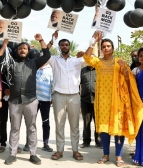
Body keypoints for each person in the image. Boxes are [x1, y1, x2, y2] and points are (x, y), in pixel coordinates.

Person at [83, 31, 143, 167]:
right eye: (104, 46)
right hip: (103, 101)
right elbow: (87, 57)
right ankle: (105, 155)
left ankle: (118, 156)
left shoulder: (119, 62)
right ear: (101, 48)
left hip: (118, 101)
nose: (106, 48)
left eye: (108, 46)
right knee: (104, 129)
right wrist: (93, 41)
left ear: (113, 48)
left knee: (118, 128)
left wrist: (125, 70)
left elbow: (129, 81)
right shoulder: (97, 62)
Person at [0, 34, 51, 165]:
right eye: (20, 48)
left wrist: (41, 40)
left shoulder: (34, 63)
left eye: (25, 48)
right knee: (14, 128)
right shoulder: (10, 63)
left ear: (28, 51)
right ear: (17, 51)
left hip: (31, 100)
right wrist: (4, 45)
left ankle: (33, 154)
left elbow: (47, 55)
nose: (22, 50)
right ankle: (12, 154)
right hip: (14, 101)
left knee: (32, 128)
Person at [46, 31, 85, 161]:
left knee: (74, 125)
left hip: (74, 95)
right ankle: (59, 150)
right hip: (59, 95)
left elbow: (90, 57)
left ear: (69, 47)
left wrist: (92, 43)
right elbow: (45, 52)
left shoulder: (77, 61)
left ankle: (75, 150)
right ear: (59, 47)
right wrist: (52, 40)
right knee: (59, 124)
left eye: (66, 44)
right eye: (62, 45)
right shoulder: (54, 60)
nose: (64, 46)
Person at [79, 60, 101, 149]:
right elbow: (78, 84)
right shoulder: (82, 71)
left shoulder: (100, 70)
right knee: (86, 121)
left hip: (98, 100)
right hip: (85, 99)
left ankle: (99, 141)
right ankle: (86, 141)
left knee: (98, 122)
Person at [35, 57, 54, 152]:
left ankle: (45, 143)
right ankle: (29, 143)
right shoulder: (34, 68)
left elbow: (53, 85)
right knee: (31, 123)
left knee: (45, 122)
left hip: (46, 100)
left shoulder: (50, 70)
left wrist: (53, 98)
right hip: (33, 100)